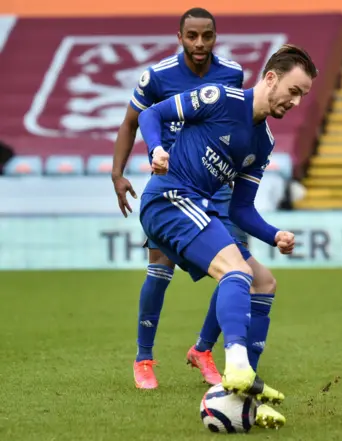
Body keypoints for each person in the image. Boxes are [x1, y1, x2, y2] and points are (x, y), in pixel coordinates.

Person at [137, 44, 317, 428]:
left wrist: (274, 235)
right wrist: (155, 149)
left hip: (199, 209)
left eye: (303, 96)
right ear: (271, 78)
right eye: (294, 90)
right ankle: (234, 362)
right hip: (167, 198)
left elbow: (241, 209)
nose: (296, 102)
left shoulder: (262, 143)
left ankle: (241, 397)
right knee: (237, 273)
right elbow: (152, 113)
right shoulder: (219, 97)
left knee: (264, 282)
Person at [110, 7, 278, 393]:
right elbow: (131, 122)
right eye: (192, 36)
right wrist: (118, 174)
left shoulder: (231, 74)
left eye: (207, 36)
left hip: (218, 184)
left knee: (238, 266)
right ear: (180, 36)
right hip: (174, 181)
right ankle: (144, 358)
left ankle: (203, 349)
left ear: (215, 36)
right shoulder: (157, 76)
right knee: (160, 268)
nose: (199, 44)